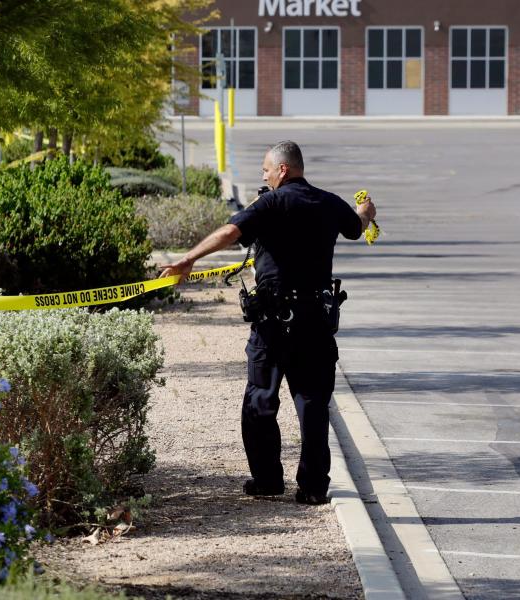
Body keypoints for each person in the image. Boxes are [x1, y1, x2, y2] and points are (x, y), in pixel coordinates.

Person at [160, 141, 376, 505]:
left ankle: (267, 480)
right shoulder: (329, 202)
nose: (263, 175)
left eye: (265, 169)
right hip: (315, 321)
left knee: (260, 400)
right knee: (312, 403)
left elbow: (230, 232)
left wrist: (187, 259)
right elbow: (356, 227)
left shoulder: (270, 203)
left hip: (274, 323)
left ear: (283, 170)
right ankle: (312, 487)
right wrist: (365, 211)